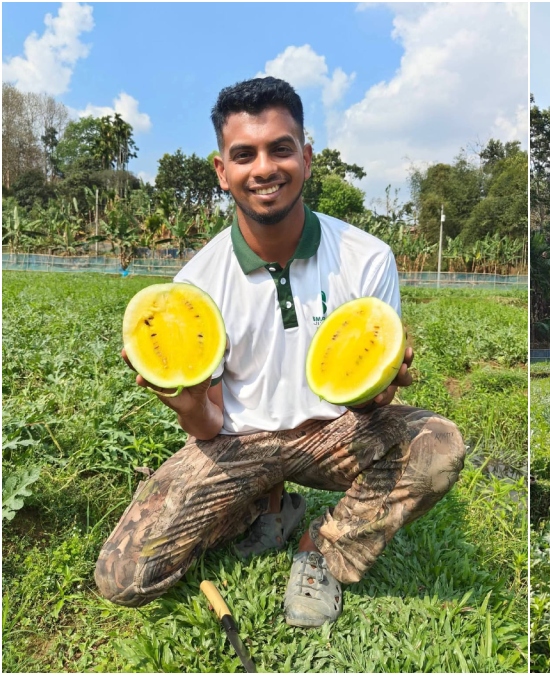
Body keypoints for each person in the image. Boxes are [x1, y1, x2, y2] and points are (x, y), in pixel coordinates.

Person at [93, 77, 466, 629]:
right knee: (123, 578)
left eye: (280, 149)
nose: (264, 168)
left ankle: (320, 550)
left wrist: (380, 390)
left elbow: (367, 395)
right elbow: (209, 423)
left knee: (439, 445)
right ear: (223, 171)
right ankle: (263, 503)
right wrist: (184, 400)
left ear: (306, 158)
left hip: (335, 435)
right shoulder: (197, 282)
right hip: (240, 443)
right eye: (244, 155)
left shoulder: (367, 257)